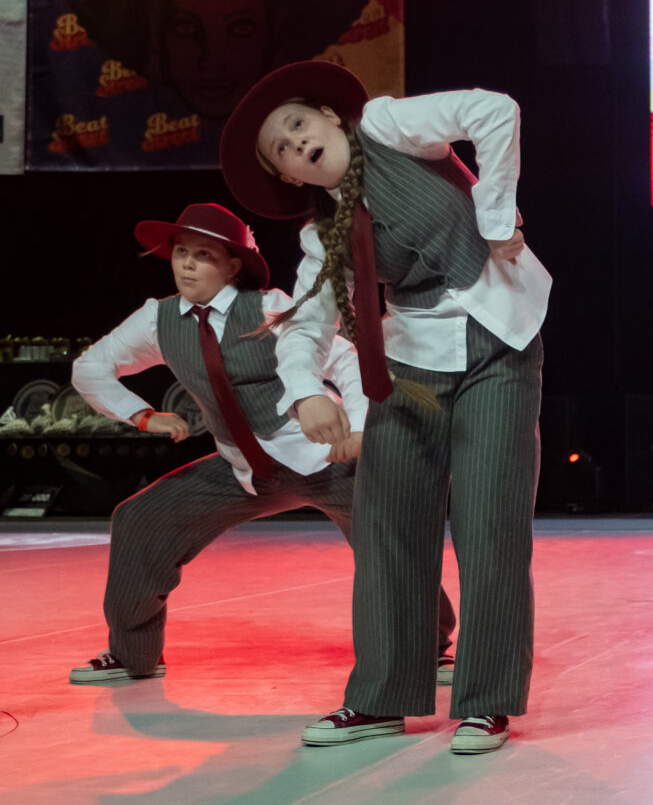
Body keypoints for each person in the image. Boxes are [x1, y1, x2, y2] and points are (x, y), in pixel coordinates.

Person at [220, 61, 549, 755]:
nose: (296, 142)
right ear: (289, 177)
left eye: (298, 124)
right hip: (410, 368)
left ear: (330, 118)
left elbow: (494, 108)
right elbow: (306, 322)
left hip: (497, 341)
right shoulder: (323, 235)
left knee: (489, 520)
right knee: (386, 518)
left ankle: (486, 701)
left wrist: (495, 217)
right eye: (282, 148)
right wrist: (307, 391)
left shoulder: (387, 125)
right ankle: (381, 697)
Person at [67, 203, 455, 684]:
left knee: (388, 539)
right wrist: (141, 415)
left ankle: (430, 649)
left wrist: (358, 429)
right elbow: (90, 367)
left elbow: (346, 360)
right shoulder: (157, 320)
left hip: (325, 457)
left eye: (203, 255)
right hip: (243, 471)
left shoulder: (269, 308)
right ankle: (133, 655)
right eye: (181, 252)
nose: (187, 264)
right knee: (139, 519)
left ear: (233, 266)